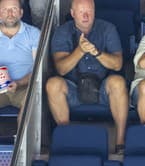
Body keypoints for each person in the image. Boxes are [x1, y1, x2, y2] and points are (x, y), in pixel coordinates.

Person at [46, 0, 128, 153]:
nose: (85, 15)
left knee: (118, 82)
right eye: (81, 11)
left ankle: (120, 141)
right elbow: (61, 69)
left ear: (94, 12)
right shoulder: (62, 31)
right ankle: (66, 138)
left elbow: (117, 64)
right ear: (72, 13)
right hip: (74, 87)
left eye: (89, 11)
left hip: (102, 86)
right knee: (53, 84)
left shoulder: (107, 28)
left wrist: (96, 52)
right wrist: (80, 50)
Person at [0, 0, 40, 124]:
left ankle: (21, 142)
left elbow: (37, 70)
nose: (10, 13)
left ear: (21, 13)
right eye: (5, 10)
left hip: (25, 88)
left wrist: (18, 83)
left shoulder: (34, 34)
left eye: (14, 9)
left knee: (32, 98)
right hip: (1, 87)